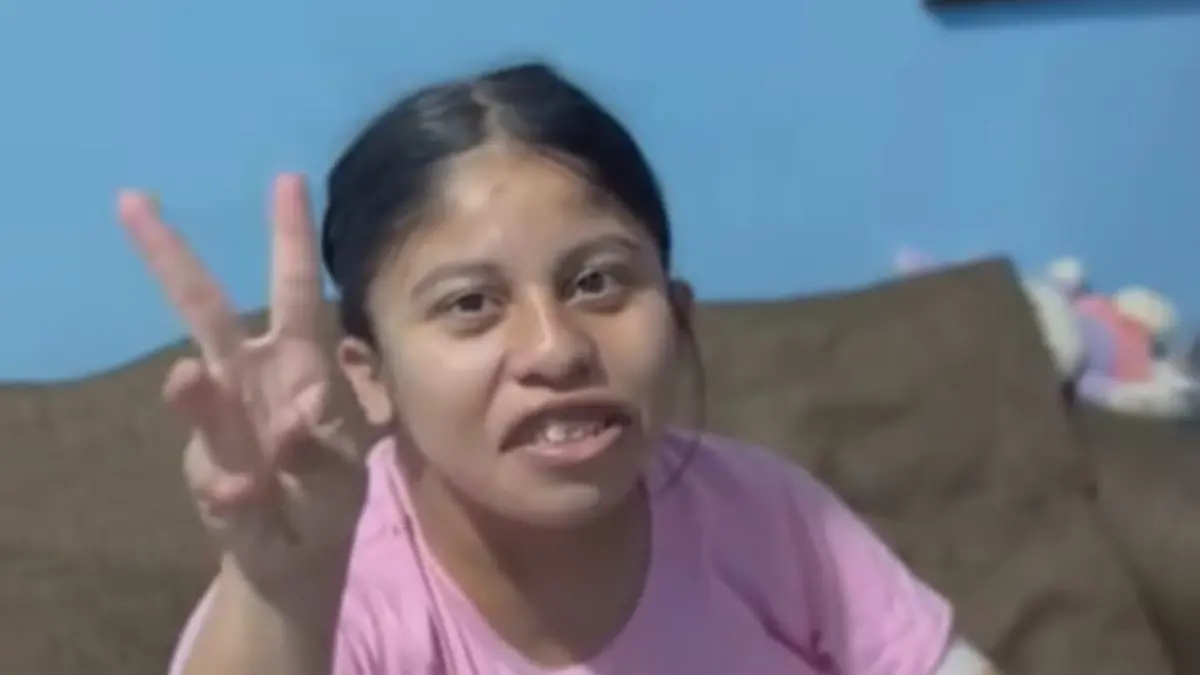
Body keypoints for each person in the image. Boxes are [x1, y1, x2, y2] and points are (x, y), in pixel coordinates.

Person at [117, 62, 998, 675]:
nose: (557, 347)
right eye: (471, 302)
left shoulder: (765, 514)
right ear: (370, 373)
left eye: (597, 282)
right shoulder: (335, 593)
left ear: (677, 312)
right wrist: (281, 593)